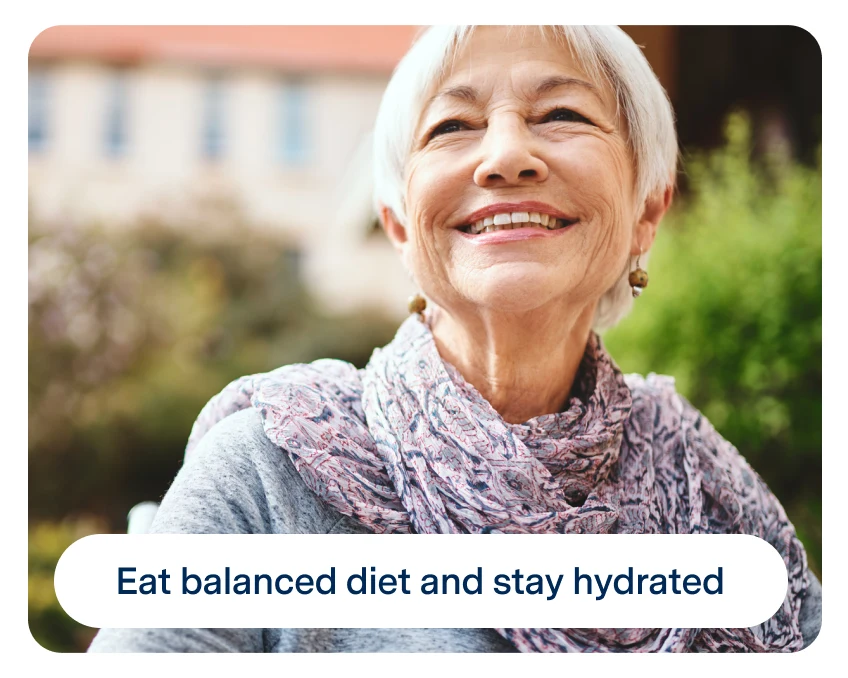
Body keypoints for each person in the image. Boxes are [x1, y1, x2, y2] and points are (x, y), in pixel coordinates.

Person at [89, 25, 821, 653]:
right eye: (452, 126)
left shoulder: (714, 501)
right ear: (401, 225)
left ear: (646, 213)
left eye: (561, 112)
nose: (504, 156)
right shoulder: (263, 475)